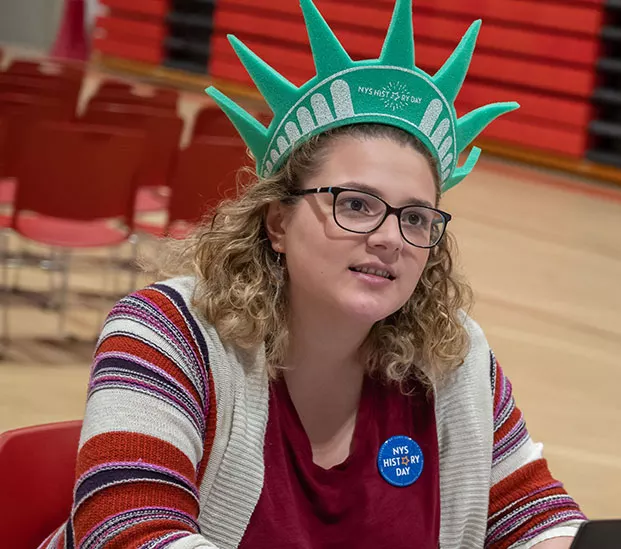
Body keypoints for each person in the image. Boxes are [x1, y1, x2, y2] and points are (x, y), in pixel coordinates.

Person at [39, 1, 585, 547]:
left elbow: (538, 517)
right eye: (355, 205)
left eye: (416, 217)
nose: (390, 237)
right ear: (278, 222)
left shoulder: (454, 358)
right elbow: (123, 531)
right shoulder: (167, 333)